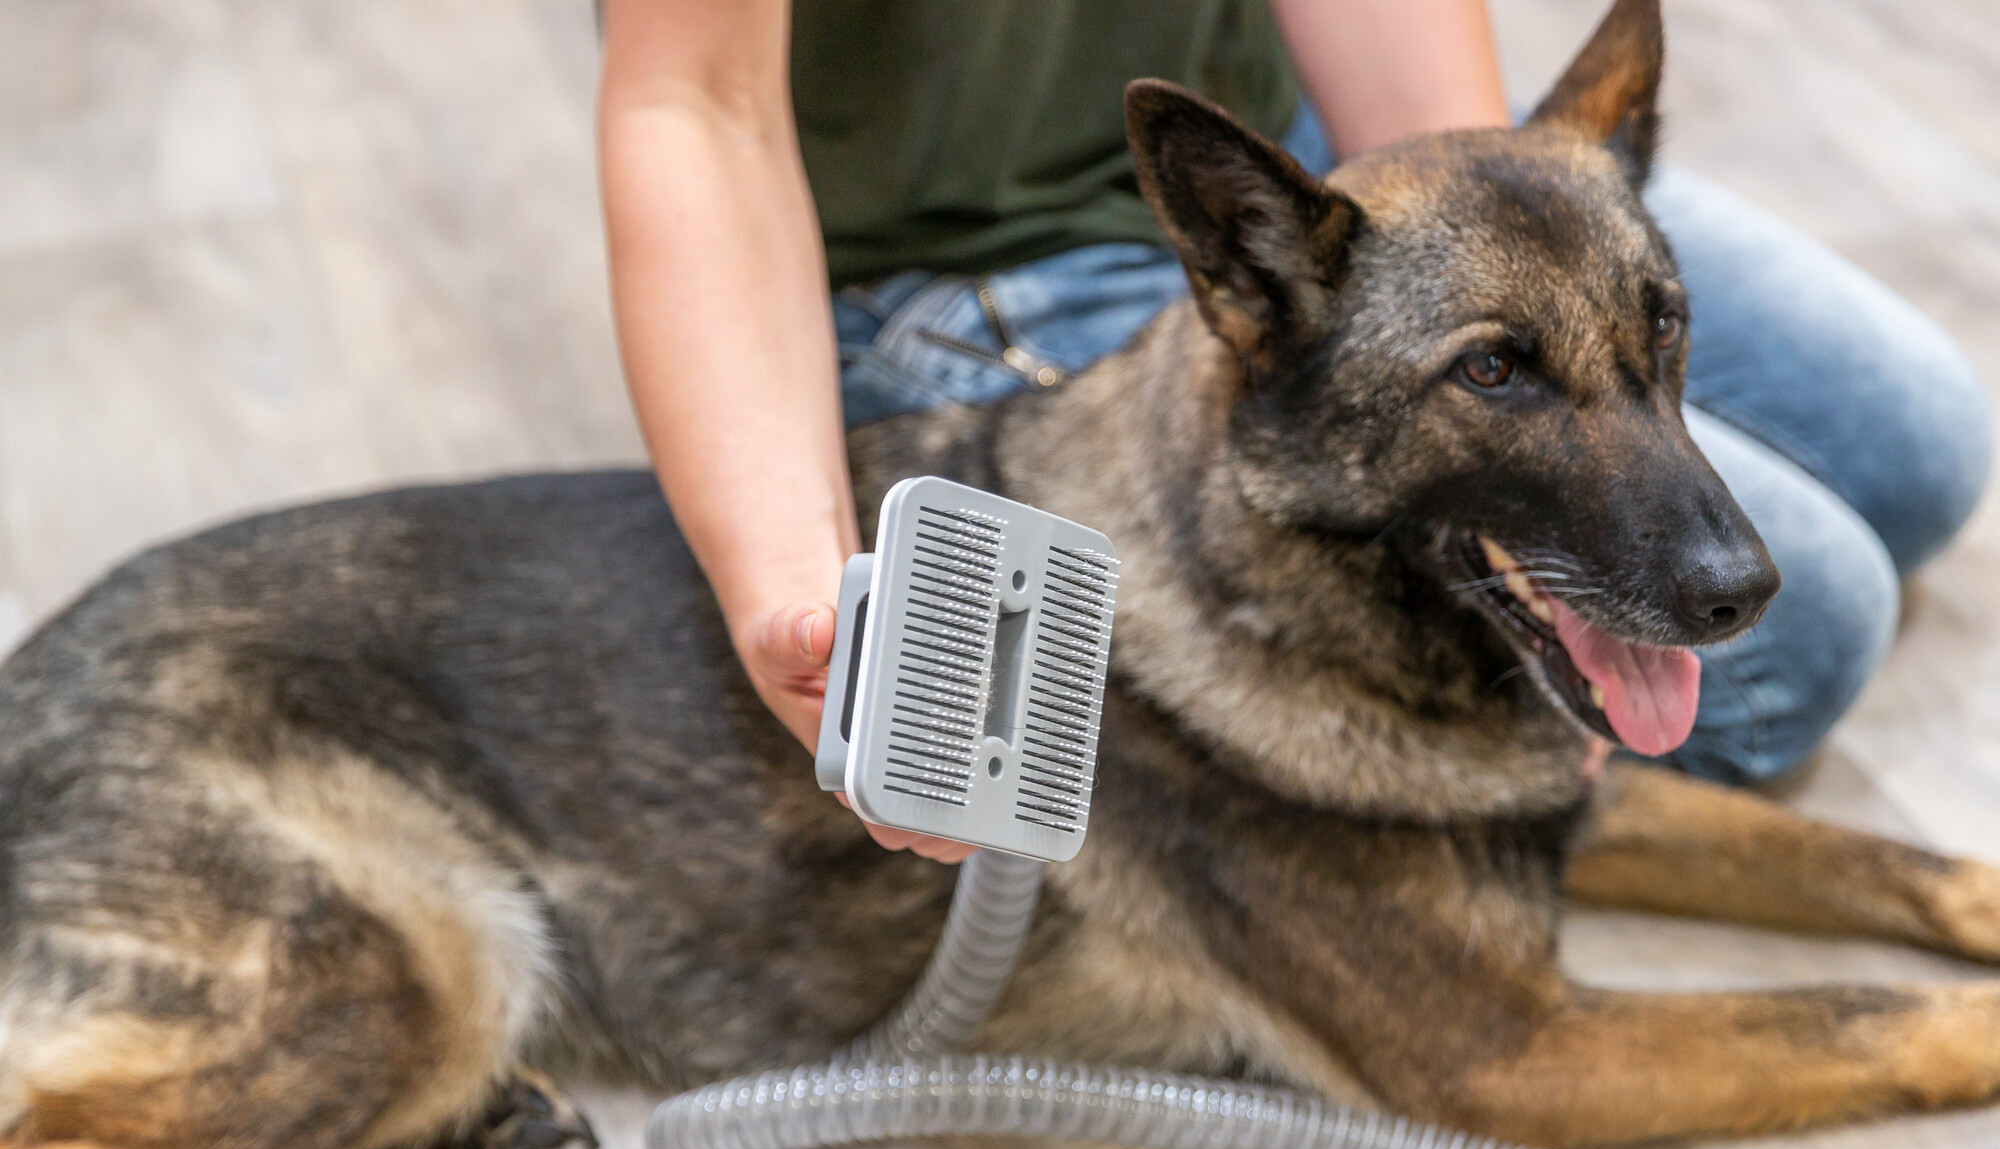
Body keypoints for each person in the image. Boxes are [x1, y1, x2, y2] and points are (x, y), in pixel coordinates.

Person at [596, 0, 1992, 862]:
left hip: (1302, 158)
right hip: (965, 251)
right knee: (1818, 633)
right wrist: (801, 603)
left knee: (1922, 439)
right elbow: (692, 103)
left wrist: (1470, 267)